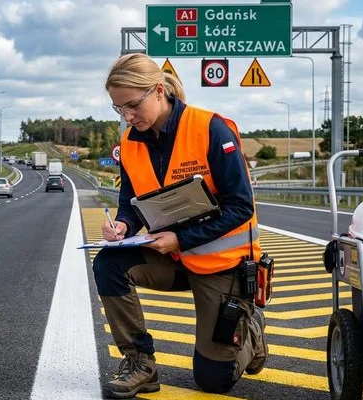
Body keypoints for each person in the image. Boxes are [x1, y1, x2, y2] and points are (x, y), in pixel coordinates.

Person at [93, 53, 267, 398]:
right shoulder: (129, 143)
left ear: (158, 90)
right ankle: (139, 362)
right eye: (118, 109)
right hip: (172, 258)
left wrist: (181, 238)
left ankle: (253, 334)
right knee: (108, 264)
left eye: (131, 105)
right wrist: (124, 226)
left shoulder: (211, 129)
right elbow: (132, 202)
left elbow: (241, 206)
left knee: (213, 381)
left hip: (223, 266)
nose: (127, 116)